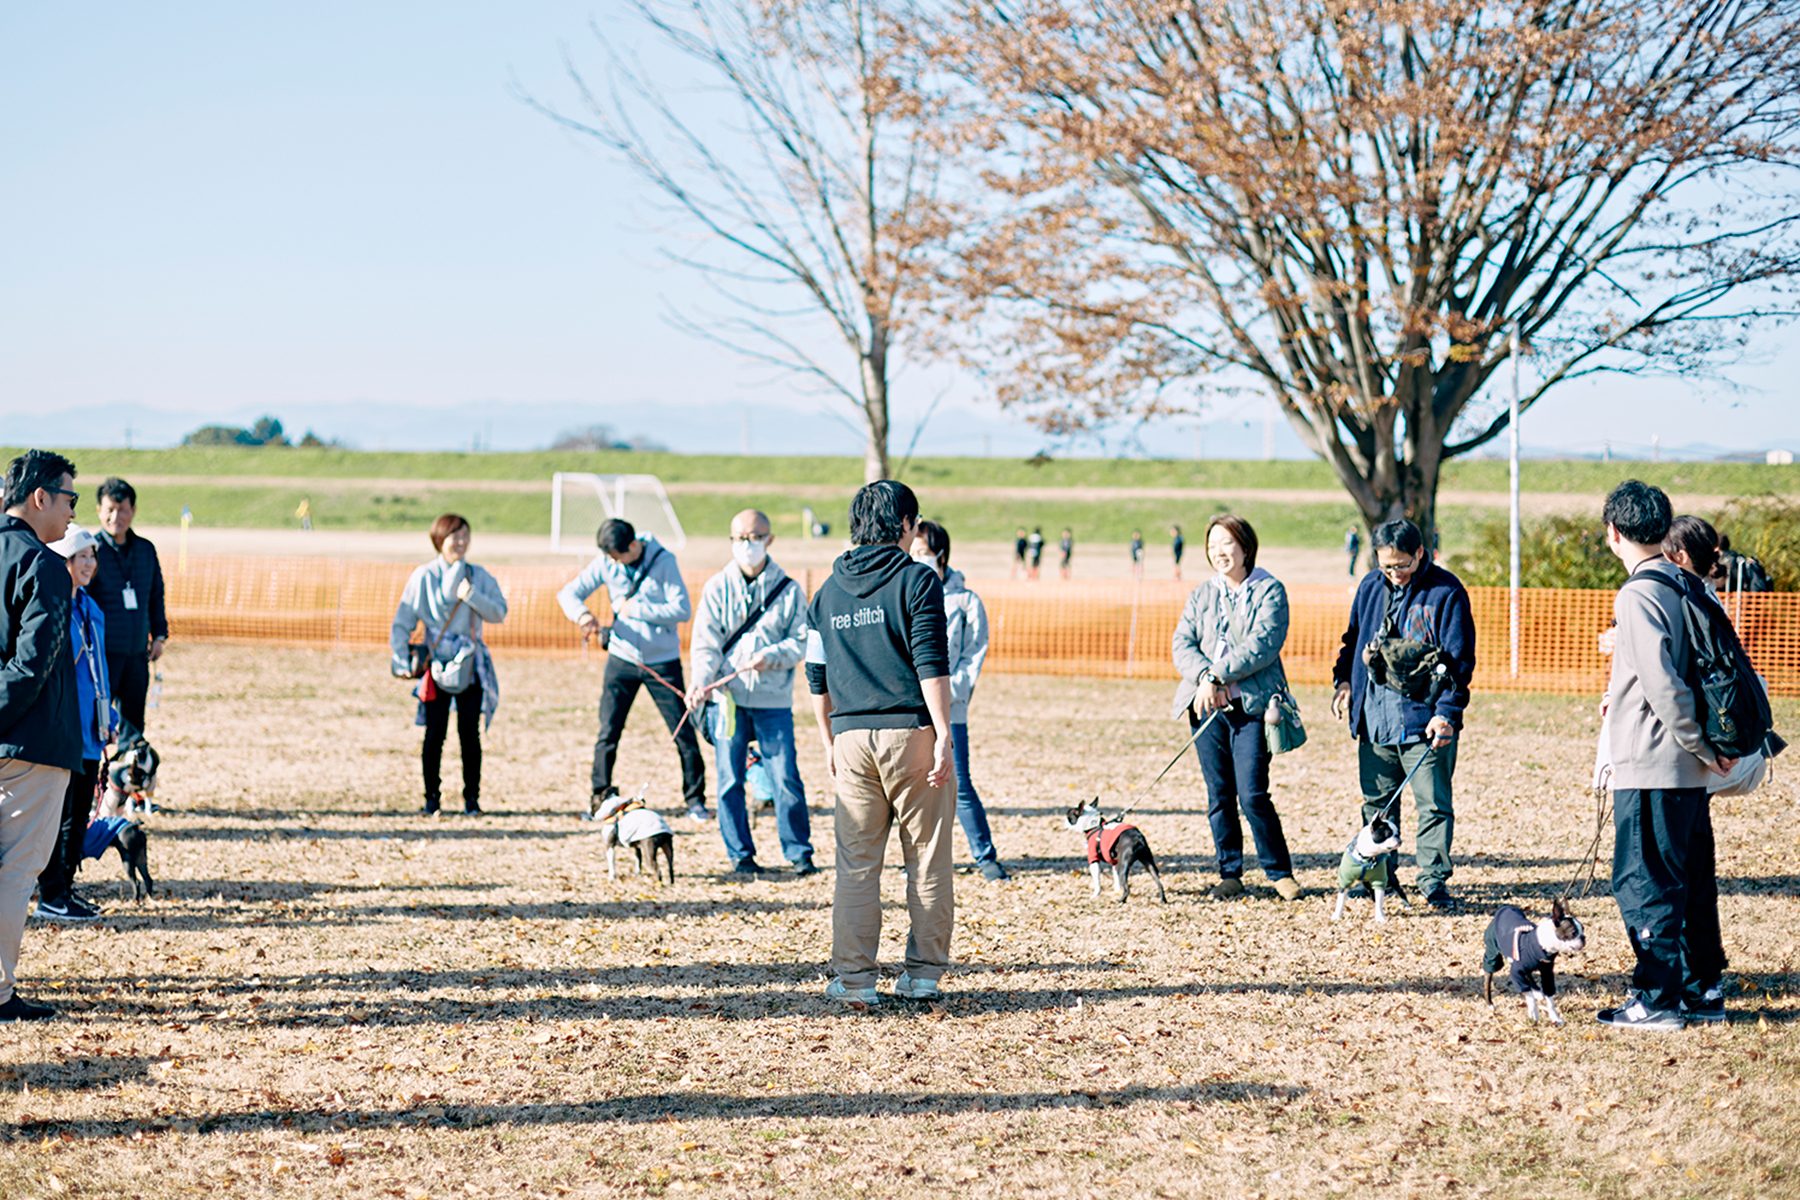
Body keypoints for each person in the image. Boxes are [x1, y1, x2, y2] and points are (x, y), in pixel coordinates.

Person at [1595, 484, 1745, 1029]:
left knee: (1645, 881)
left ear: (1614, 532)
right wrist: (1708, 750)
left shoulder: (1636, 594)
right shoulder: (1687, 582)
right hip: (1688, 769)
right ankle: (1704, 989)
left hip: (1655, 760)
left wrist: (1699, 743)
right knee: (1692, 880)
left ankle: (1657, 1000)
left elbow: (1663, 686)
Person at [806, 481, 954, 1006]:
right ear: (908, 525)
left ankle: (854, 981)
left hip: (848, 737)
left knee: (857, 865)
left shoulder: (824, 592)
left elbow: (816, 675)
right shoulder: (918, 580)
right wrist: (944, 736)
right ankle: (923, 976)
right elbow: (931, 664)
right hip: (911, 731)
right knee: (928, 858)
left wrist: (827, 741)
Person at [1330, 518, 1476, 909]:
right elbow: (1352, 640)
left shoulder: (1446, 592)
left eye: (1402, 565)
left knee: (1433, 804)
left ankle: (1433, 881)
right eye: (1386, 566)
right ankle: (1380, 875)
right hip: (1374, 721)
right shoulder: (1368, 588)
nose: (1395, 574)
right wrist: (1344, 681)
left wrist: (1446, 712)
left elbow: (1460, 662)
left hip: (1424, 721)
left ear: (1420, 554)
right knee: (1376, 803)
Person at [1171, 515, 1299, 900]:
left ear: (1245, 546)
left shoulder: (1269, 590)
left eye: (1226, 543)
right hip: (1206, 707)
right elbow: (1182, 643)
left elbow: (1263, 643)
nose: (1219, 552)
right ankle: (1230, 872)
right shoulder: (1202, 594)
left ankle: (1279, 872)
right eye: (1212, 546)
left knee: (1253, 794)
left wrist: (1217, 676)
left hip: (1252, 707)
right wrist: (1205, 680)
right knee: (1219, 794)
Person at [687, 509, 815, 877]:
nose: (747, 545)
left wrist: (771, 656)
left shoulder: (789, 590)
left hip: (773, 701)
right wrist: (700, 682)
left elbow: (802, 641)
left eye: (755, 537)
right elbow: (705, 644)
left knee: (785, 776)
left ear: (769, 539)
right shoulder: (716, 587)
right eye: (740, 538)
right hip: (727, 699)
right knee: (730, 780)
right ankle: (740, 856)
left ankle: (799, 853)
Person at [0, 450, 82, 1022]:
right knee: (15, 871)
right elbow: (35, 663)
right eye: (70, 498)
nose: (73, 513)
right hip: (29, 744)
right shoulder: (45, 566)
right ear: (40, 497)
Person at [559, 518, 708, 821]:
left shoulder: (664, 562)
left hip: (662, 661)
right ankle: (600, 799)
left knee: (683, 733)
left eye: (617, 556)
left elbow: (682, 609)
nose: (612, 562)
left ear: (633, 546)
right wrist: (584, 616)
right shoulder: (606, 561)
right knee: (608, 732)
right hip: (621, 659)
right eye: (609, 558)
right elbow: (569, 593)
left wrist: (635, 610)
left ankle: (695, 801)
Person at [391, 514, 507, 816]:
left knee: (470, 734)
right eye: (454, 536)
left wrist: (471, 595)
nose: (461, 542)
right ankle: (432, 798)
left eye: (465, 535)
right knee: (434, 733)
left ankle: (472, 799)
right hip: (435, 665)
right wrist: (401, 657)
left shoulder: (477, 576)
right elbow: (403, 621)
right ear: (439, 540)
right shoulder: (424, 576)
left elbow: (498, 612)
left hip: (471, 664)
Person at [911, 520, 1007, 882]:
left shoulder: (966, 602)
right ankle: (921, 859)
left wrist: (946, 694)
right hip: (911, 709)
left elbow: (972, 655)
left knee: (960, 783)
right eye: (914, 552)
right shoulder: (906, 594)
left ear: (942, 556)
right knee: (915, 785)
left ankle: (985, 855)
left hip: (951, 710)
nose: (918, 559)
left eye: (925, 553)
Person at [34, 524, 115, 922]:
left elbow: (100, 668)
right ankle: (51, 893)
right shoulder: (53, 609)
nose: (88, 563)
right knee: (57, 816)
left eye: (92, 556)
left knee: (79, 814)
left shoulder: (90, 608)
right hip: (62, 729)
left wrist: (109, 716)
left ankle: (64, 889)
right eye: (80, 556)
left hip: (91, 730)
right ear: (63, 562)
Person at [86, 478, 167, 733]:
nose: (116, 517)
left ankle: (128, 767)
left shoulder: (146, 550)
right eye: (110, 509)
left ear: (133, 510)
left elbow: (156, 594)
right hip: (103, 656)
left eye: (122, 510)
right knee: (97, 722)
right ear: (99, 510)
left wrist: (159, 635)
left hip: (137, 655)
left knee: (133, 722)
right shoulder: (90, 551)